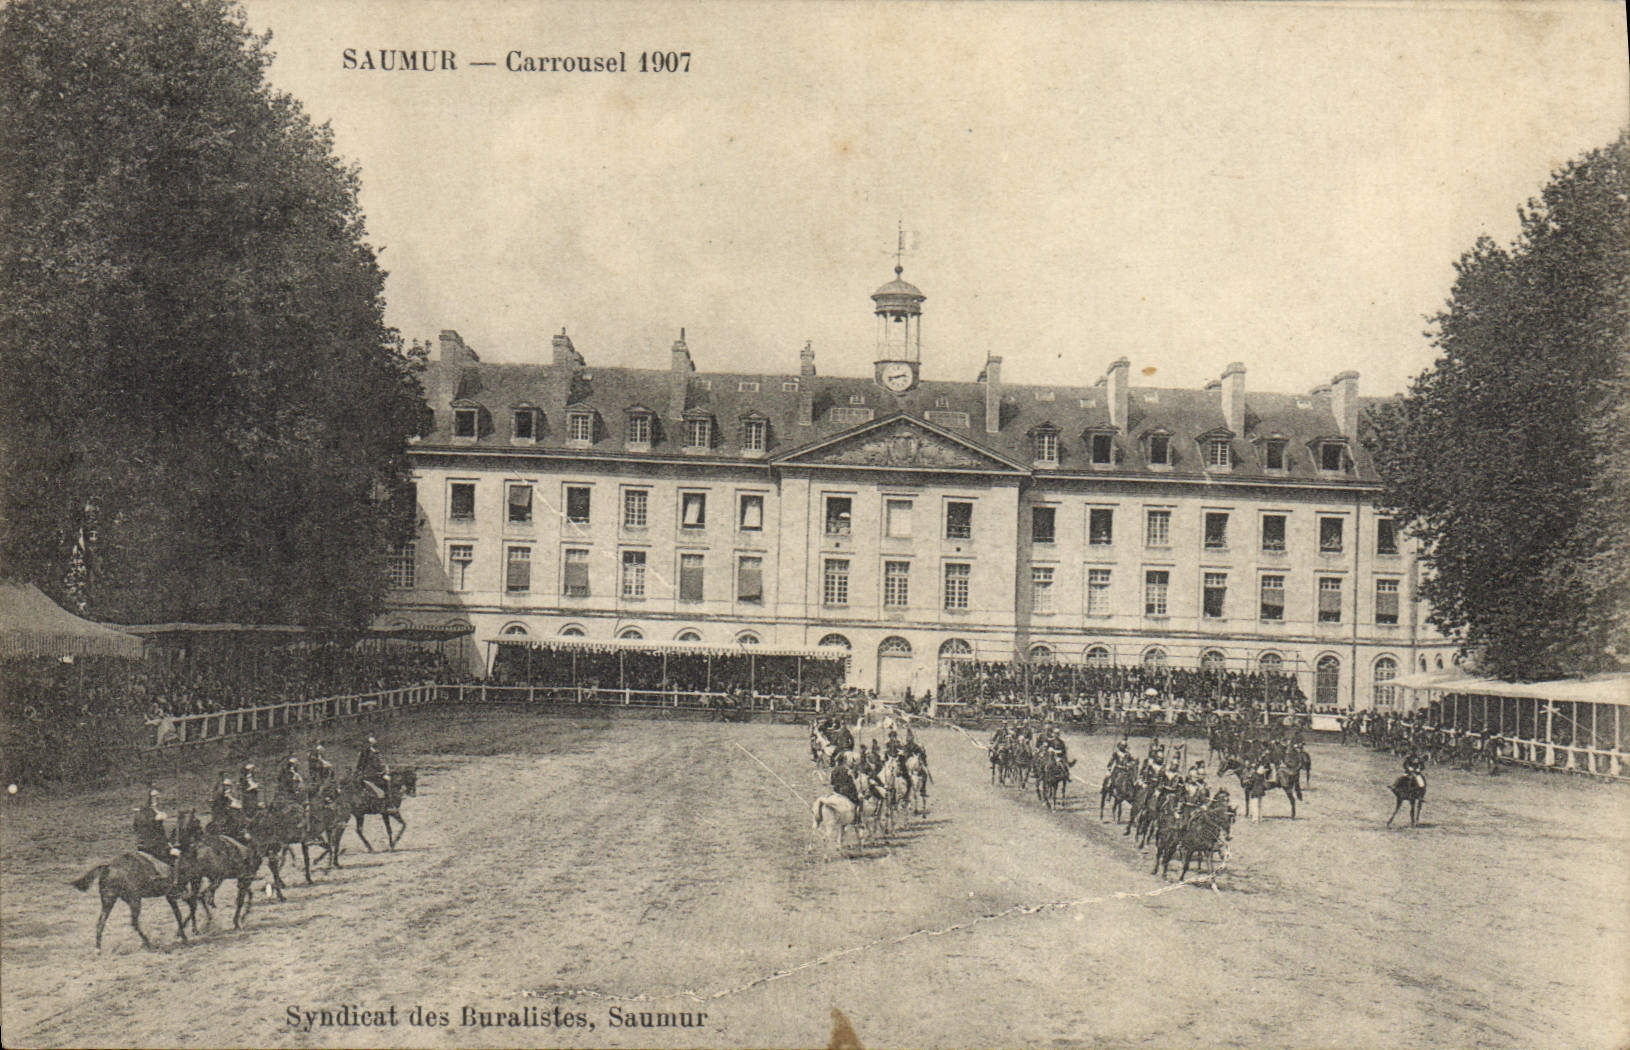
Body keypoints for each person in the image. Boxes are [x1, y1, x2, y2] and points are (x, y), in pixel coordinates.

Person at [133, 787, 178, 885]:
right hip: (153, 845)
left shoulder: (148, 811)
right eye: (153, 796)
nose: (156, 799)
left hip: (147, 844)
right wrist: (169, 847)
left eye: (158, 796)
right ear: (148, 798)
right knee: (177, 856)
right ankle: (176, 884)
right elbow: (153, 832)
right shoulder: (147, 813)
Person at [829, 754, 863, 822]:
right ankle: (857, 819)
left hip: (837, 791)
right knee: (859, 801)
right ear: (844, 761)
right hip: (846, 792)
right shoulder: (848, 771)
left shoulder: (834, 770)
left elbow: (832, 783)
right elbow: (852, 782)